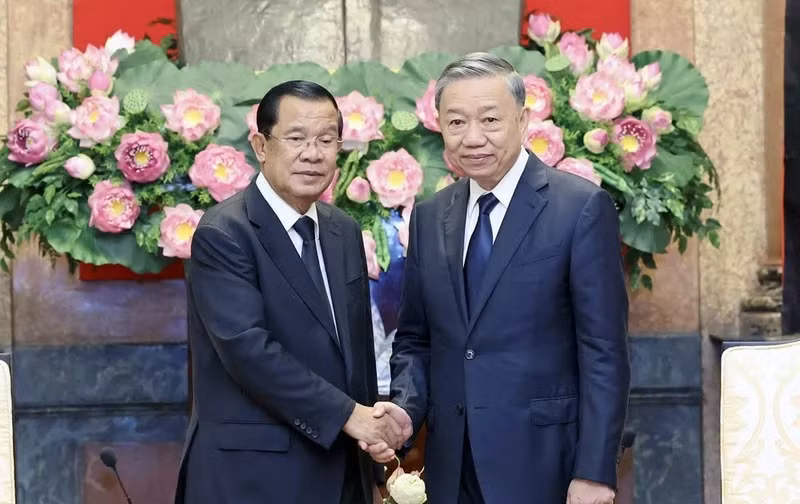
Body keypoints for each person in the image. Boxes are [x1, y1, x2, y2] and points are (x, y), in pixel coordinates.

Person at [371, 53, 631, 504]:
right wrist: (406, 411)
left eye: (490, 119)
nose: (473, 138)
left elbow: (604, 351)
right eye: (456, 123)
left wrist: (595, 470)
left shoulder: (579, 207)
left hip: (546, 463)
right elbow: (416, 339)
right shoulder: (432, 216)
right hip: (454, 466)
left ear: (523, 119)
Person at [174, 80, 411, 504]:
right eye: (297, 138)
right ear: (261, 145)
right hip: (253, 477)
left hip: (341, 474)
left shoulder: (343, 231)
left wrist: (371, 471)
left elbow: (353, 355)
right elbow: (249, 351)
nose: (313, 153)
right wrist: (350, 417)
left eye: (326, 140)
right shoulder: (224, 232)